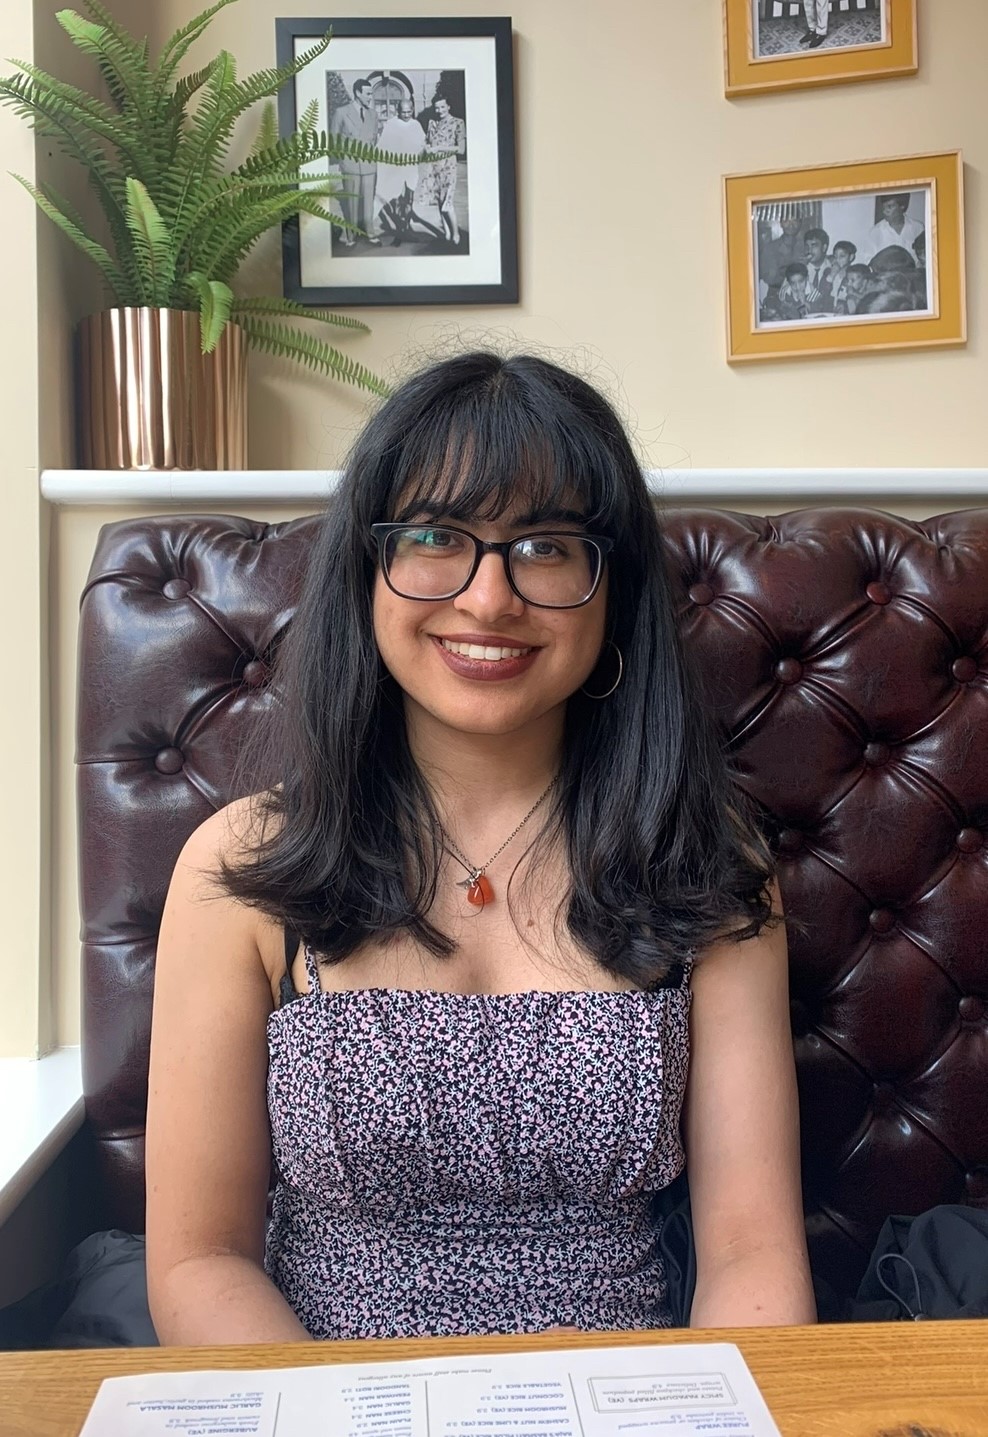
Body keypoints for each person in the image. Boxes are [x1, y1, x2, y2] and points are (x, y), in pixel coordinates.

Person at [144, 352, 816, 1344]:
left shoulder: (706, 862)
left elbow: (750, 1255)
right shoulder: (236, 868)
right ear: (365, 576)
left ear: (610, 588)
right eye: (432, 536)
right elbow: (203, 1260)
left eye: (546, 546)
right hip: (325, 1405)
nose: (489, 599)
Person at [329, 77, 381, 246]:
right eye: (367, 93)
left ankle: (370, 231)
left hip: (369, 164)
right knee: (351, 202)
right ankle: (351, 235)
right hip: (350, 164)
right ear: (358, 93)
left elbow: (375, 138)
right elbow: (333, 140)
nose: (370, 97)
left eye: (371, 93)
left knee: (368, 202)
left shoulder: (373, 114)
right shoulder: (341, 112)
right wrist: (346, 155)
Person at [373, 97, 427, 247]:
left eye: (409, 111)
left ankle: (406, 229)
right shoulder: (391, 124)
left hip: (411, 168)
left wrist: (422, 152)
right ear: (398, 111)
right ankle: (399, 232)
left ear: (412, 109)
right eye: (403, 112)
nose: (406, 114)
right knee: (396, 201)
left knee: (408, 200)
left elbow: (422, 145)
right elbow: (382, 146)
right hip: (394, 168)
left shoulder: (416, 125)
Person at [420, 93, 467, 246]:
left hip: (448, 167)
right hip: (433, 168)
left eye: (442, 107)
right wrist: (427, 148)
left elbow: (461, 150)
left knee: (447, 203)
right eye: (437, 108)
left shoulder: (458, 123)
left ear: (448, 106)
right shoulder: (432, 123)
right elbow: (427, 142)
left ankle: (456, 234)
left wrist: (439, 148)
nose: (439, 110)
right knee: (440, 202)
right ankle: (446, 234)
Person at [860, 194, 924, 266]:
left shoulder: (918, 227)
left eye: (889, 207)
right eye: (883, 207)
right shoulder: (875, 232)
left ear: (902, 206)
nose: (885, 211)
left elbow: (924, 258)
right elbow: (869, 262)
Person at [827, 240, 856, 309]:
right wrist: (831, 276)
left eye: (842, 256)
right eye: (835, 256)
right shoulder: (828, 272)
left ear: (851, 257)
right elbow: (822, 293)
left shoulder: (854, 276)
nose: (838, 259)